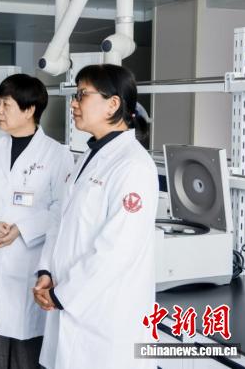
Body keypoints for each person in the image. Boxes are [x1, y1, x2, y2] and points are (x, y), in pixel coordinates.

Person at [34, 64, 158, 369]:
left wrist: (62, 295)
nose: (73, 104)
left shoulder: (133, 166)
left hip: (104, 318)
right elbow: (60, 221)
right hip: (70, 301)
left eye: (82, 95)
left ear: (113, 104)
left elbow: (116, 251)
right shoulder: (89, 156)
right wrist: (46, 271)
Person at [0, 73, 73, 369]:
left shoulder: (57, 154)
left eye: (6, 104)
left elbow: (61, 208)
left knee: (27, 352)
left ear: (29, 109)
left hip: (28, 262)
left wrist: (22, 230)